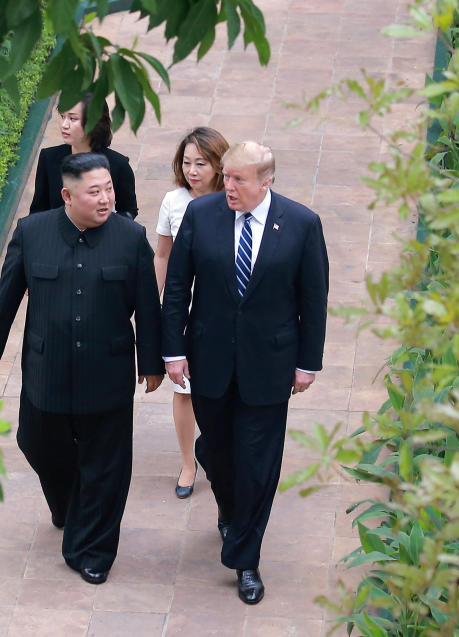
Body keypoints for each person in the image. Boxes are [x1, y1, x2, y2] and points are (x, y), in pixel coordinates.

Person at [0, 153, 164, 586]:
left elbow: (148, 310)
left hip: (109, 372)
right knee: (37, 443)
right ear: (67, 195)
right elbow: (6, 294)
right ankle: (68, 504)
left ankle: (93, 550)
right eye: (94, 191)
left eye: (110, 189)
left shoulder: (130, 238)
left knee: (106, 466)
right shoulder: (33, 231)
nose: (105, 199)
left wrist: (152, 363)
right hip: (47, 372)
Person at [161, 142, 329, 605]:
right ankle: (221, 486)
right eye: (226, 176)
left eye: (239, 179)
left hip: (270, 367)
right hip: (209, 360)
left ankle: (245, 558)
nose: (228, 186)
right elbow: (177, 287)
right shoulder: (201, 215)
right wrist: (173, 351)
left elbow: (313, 300)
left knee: (258, 465)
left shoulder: (301, 224)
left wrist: (307, 363)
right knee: (221, 452)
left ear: (266, 181)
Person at [153, 127, 230, 499]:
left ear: (219, 164)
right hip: (183, 309)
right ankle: (188, 462)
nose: (193, 170)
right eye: (187, 162)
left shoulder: (235, 199)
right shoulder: (173, 202)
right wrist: (156, 302)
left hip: (220, 310)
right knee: (183, 389)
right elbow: (163, 255)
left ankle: (220, 456)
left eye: (202, 162)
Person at [30, 94, 138, 219]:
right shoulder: (48, 158)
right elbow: (38, 211)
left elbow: (128, 211)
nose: (64, 124)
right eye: (62, 116)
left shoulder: (119, 165)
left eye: (72, 119)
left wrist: (108, 231)